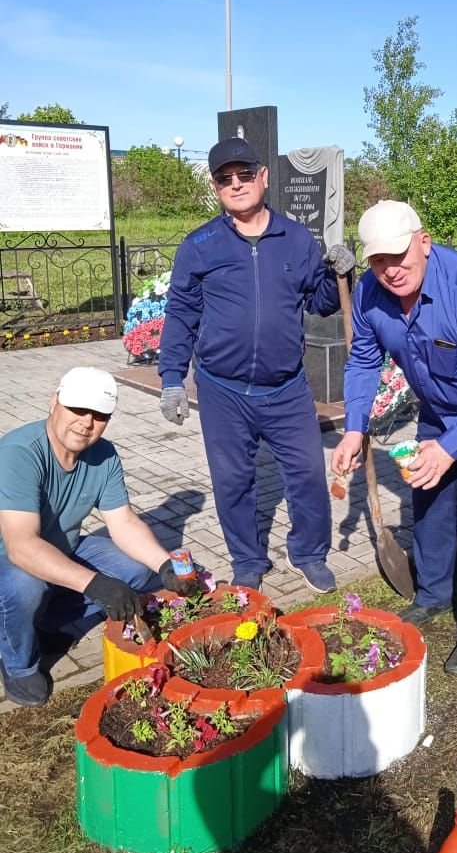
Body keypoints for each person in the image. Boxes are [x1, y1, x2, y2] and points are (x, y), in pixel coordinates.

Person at [331, 201, 457, 676]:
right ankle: (433, 594)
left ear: (423, 242)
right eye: (378, 261)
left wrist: (449, 448)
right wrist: (354, 429)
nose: (390, 271)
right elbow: (363, 362)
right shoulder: (368, 293)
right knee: (426, 489)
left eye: (399, 256)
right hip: (441, 408)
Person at [158, 136, 356, 594]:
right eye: (225, 178)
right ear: (215, 186)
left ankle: (307, 552)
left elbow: (322, 302)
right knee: (232, 482)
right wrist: (171, 378)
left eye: (245, 174)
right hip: (222, 389)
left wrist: (341, 273)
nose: (236, 184)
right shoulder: (200, 245)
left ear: (263, 177)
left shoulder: (296, 238)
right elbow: (181, 313)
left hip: (286, 388)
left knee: (307, 475)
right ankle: (248, 560)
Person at [0, 367, 194, 707]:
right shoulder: (19, 453)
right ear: (54, 403)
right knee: (24, 586)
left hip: (62, 547)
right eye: (78, 409)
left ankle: (53, 626)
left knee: (135, 568)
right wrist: (96, 584)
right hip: (10, 558)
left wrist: (164, 565)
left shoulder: (103, 455)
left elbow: (124, 523)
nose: (86, 423)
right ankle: (18, 662)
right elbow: (22, 547)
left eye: (99, 415)